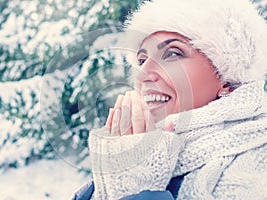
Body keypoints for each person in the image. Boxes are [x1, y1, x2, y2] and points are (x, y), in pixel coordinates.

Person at [73, 0, 267, 199]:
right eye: (141, 60)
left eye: (172, 53)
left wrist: (136, 189)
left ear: (226, 79)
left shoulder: (254, 173)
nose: (142, 74)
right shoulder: (122, 157)